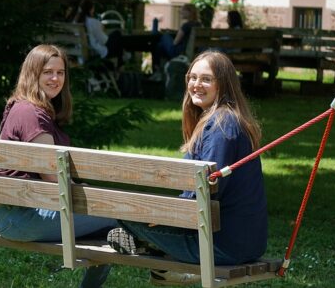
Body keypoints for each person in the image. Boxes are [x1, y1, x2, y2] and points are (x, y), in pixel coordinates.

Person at [107, 50, 267, 285]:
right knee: (130, 214)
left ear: (224, 84)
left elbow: (204, 193)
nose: (196, 84)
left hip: (221, 247)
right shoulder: (222, 120)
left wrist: (155, 216)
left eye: (206, 79)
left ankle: (148, 245)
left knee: (118, 212)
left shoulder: (223, 127)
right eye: (192, 77)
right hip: (244, 242)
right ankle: (149, 245)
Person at [0, 44, 117, 288]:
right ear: (33, 74)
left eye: (60, 73)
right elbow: (53, 177)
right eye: (48, 72)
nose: (55, 78)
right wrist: (92, 197)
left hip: (17, 213)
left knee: (111, 219)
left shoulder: (23, 107)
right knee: (118, 215)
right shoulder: (32, 115)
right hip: (24, 218)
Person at [151, 3, 201, 77]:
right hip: (194, 53)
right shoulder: (199, 25)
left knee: (164, 36)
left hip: (180, 53)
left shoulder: (186, 25)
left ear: (189, 12)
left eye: (183, 10)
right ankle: (158, 70)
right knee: (159, 46)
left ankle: (157, 70)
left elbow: (175, 42)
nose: (180, 12)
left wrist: (167, 33)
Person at [73, 0, 126, 67]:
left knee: (117, 41)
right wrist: (102, 29)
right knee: (117, 34)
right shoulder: (94, 22)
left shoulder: (75, 23)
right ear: (91, 9)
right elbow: (104, 41)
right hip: (96, 53)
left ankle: (120, 61)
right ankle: (120, 65)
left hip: (80, 55)